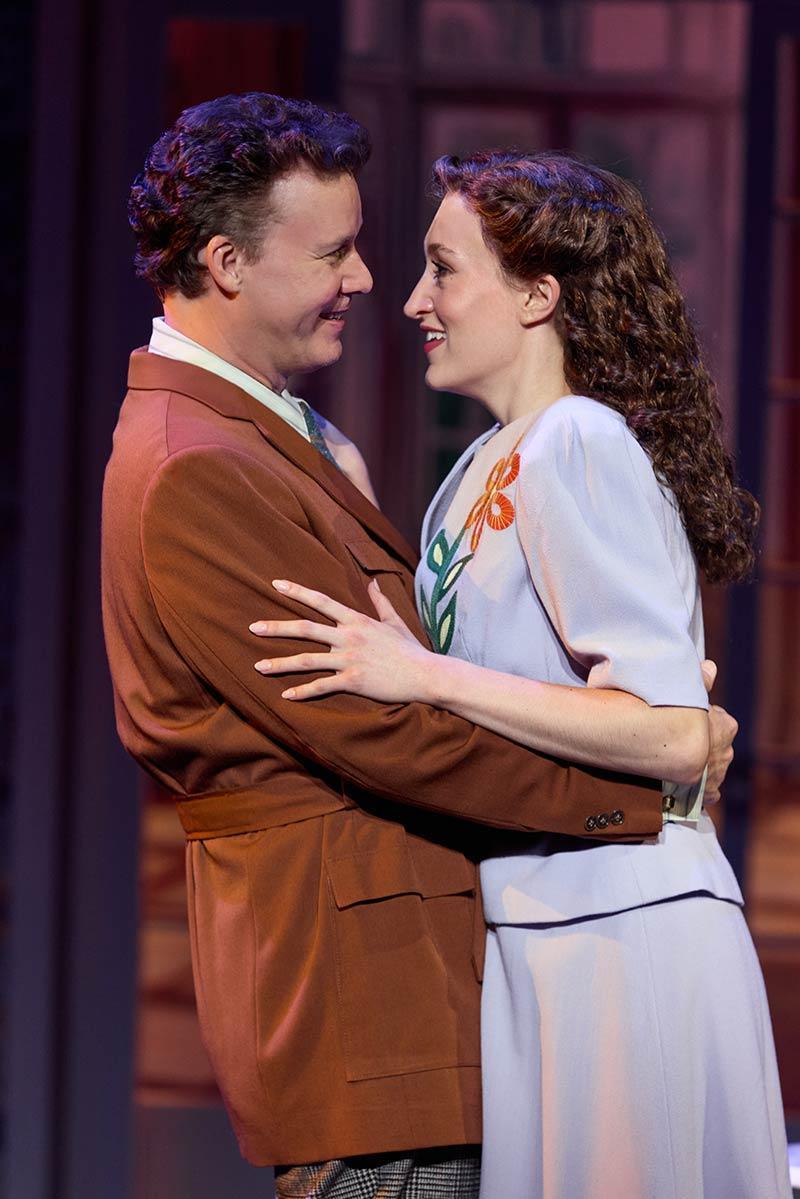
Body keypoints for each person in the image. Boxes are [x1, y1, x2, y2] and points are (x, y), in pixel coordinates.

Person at [250, 151, 791, 1198]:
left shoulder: (573, 443)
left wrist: (424, 678)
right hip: (539, 929)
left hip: (619, 934)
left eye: (443, 270)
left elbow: (674, 729)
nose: (413, 300)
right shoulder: (482, 463)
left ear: (539, 294)